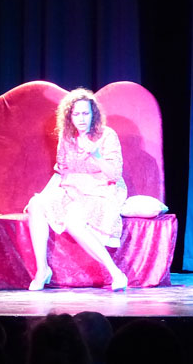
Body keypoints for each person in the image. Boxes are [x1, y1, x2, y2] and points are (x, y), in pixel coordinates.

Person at [26, 88, 128, 291]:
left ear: (93, 114)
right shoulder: (67, 136)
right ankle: (42, 270)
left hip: (101, 190)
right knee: (35, 204)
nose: (81, 119)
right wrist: (45, 197)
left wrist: (96, 155)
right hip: (71, 188)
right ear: (69, 116)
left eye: (85, 113)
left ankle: (116, 273)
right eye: (76, 114)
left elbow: (114, 175)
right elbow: (61, 171)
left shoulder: (107, 135)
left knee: (73, 221)